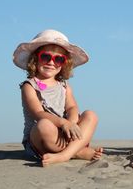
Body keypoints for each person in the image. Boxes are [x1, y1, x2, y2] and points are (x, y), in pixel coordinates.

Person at [13, 29, 103, 166]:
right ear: (35, 58)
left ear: (64, 64)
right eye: (45, 57)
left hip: (65, 134)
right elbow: (38, 113)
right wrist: (63, 123)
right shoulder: (29, 86)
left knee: (91, 115)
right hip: (41, 138)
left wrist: (71, 122)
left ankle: (66, 154)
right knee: (44, 125)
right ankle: (76, 152)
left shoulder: (64, 86)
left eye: (58, 59)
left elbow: (72, 107)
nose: (51, 62)